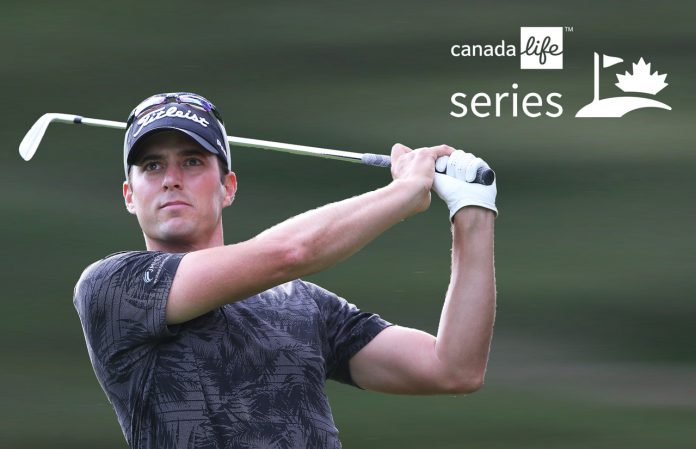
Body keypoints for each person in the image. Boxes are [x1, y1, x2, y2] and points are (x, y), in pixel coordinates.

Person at [73, 92, 498, 449]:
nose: (170, 179)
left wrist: (472, 211)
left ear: (228, 187)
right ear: (130, 195)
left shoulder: (301, 303)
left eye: (192, 161)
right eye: (151, 166)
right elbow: (289, 251)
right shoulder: (112, 287)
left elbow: (453, 368)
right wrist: (403, 192)